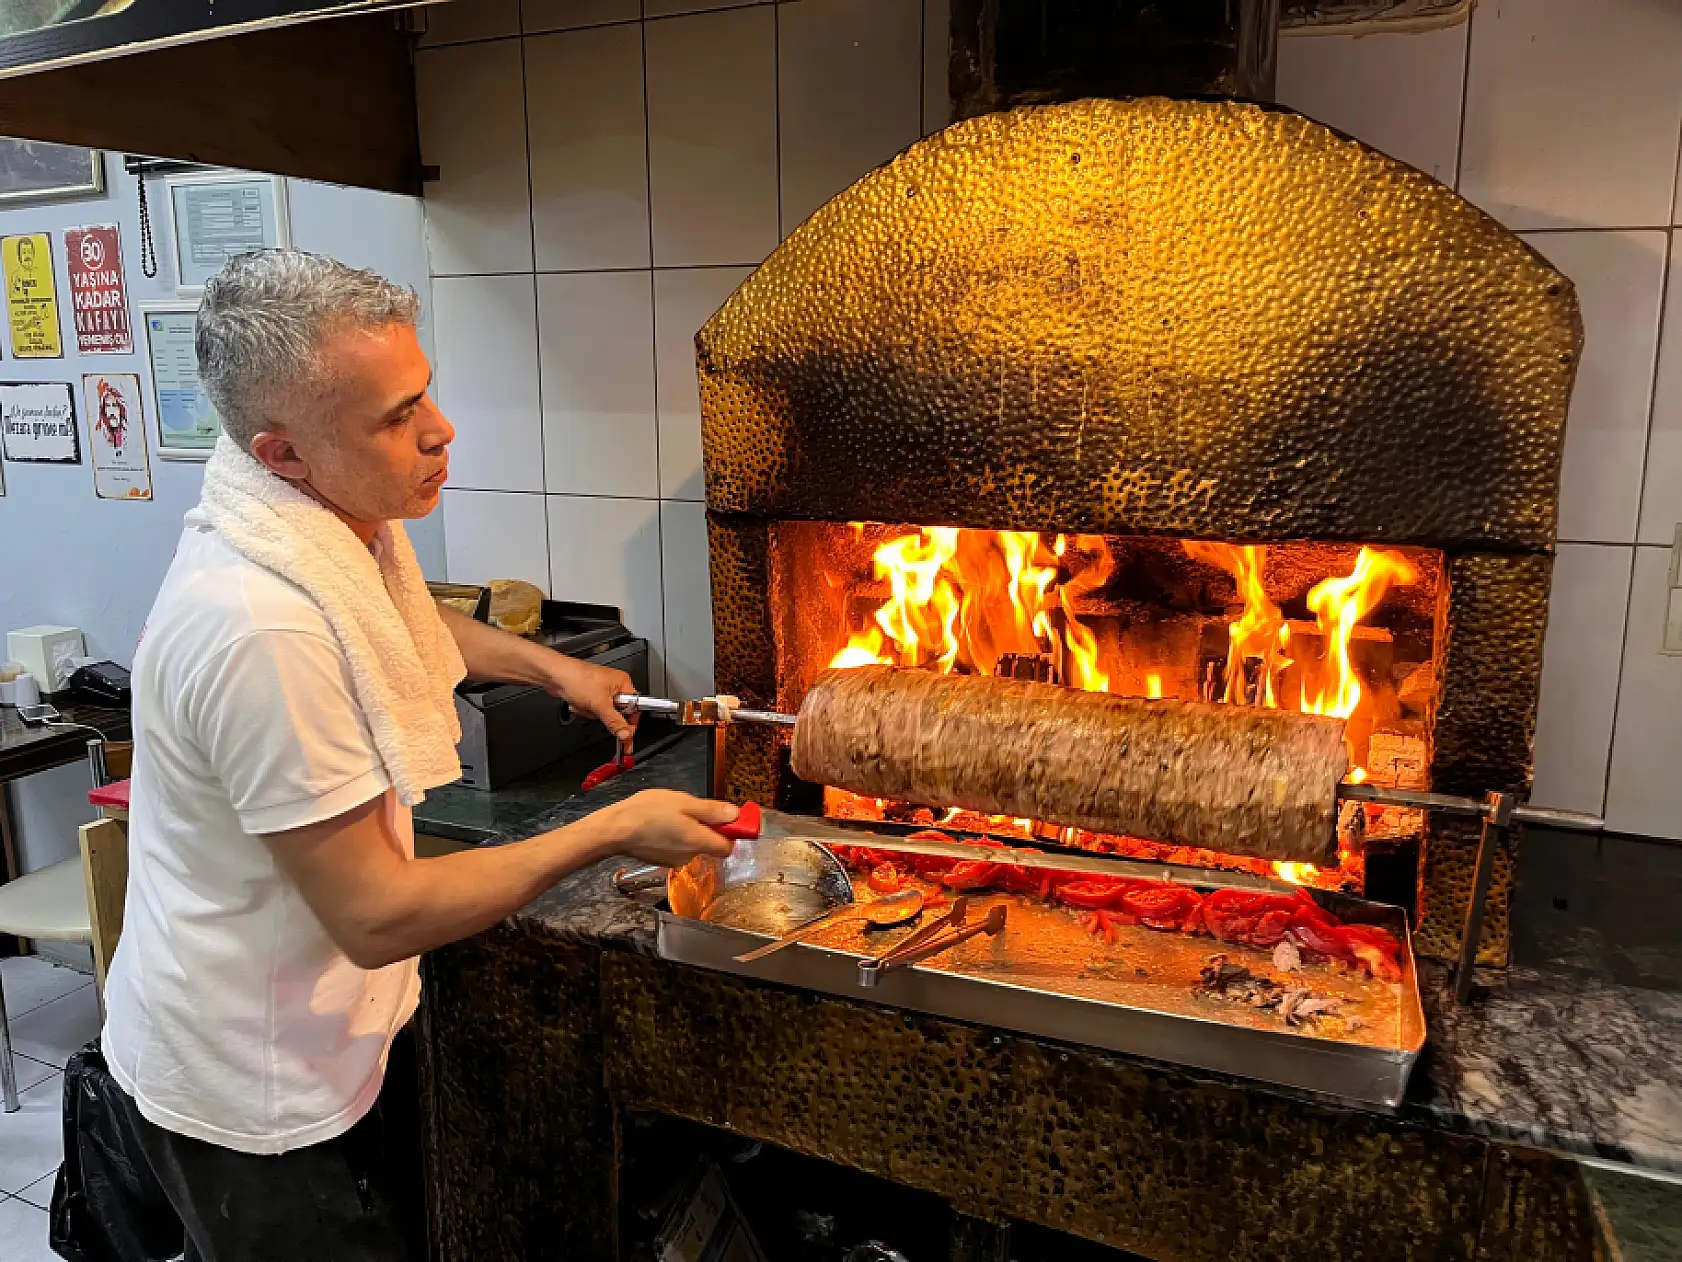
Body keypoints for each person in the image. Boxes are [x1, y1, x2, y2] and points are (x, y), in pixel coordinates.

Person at [99, 249, 738, 1260]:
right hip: (251, 1087)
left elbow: (400, 632)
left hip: (330, 1028)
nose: (439, 430)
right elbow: (377, 912)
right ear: (285, 453)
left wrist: (552, 669)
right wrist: (609, 827)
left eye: (423, 392)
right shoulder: (259, 626)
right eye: (395, 417)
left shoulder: (327, 526)